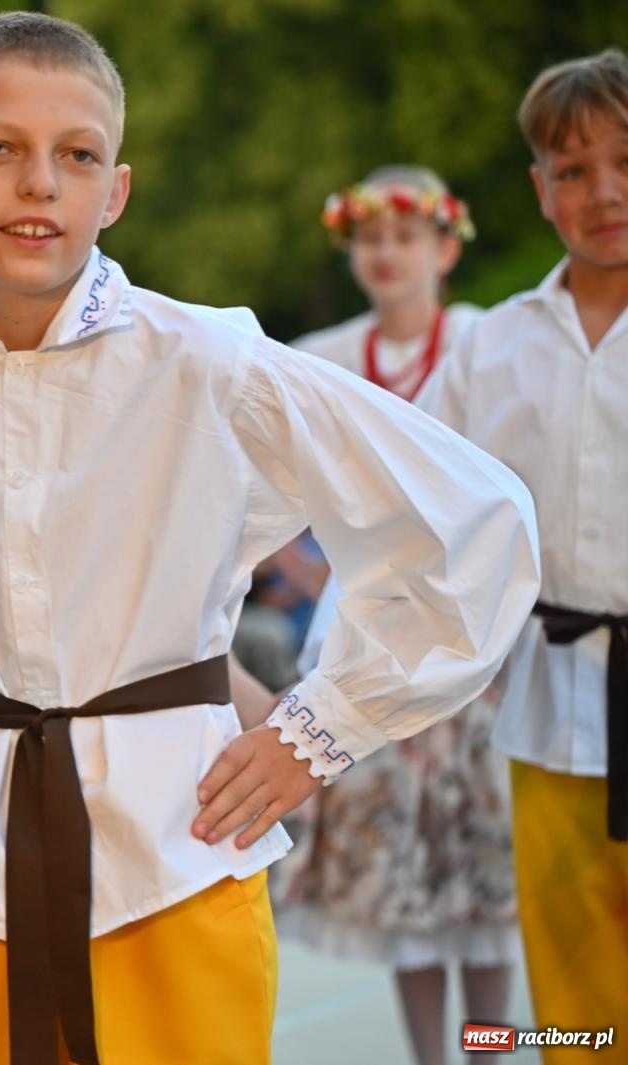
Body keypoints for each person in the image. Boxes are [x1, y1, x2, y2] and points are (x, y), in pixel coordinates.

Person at [0, 14, 541, 1063]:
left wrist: (314, 728)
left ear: (117, 189)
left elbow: (470, 518)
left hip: (177, 866)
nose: (39, 183)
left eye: (78, 154)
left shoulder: (208, 364)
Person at [272, 167, 517, 1065]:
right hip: (370, 641)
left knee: (482, 871)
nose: (385, 253)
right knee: (407, 882)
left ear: (445, 249)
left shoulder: (488, 344)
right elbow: (258, 477)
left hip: (479, 643)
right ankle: (432, 1058)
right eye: (370, 238)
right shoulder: (321, 355)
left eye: (405, 237)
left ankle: (489, 1049)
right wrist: (300, 567)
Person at [413, 48, 628, 1062]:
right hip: (549, 707)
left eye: (624, 160)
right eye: (573, 169)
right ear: (540, 191)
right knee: (574, 981)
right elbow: (411, 498)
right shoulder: (492, 347)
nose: (604, 191)